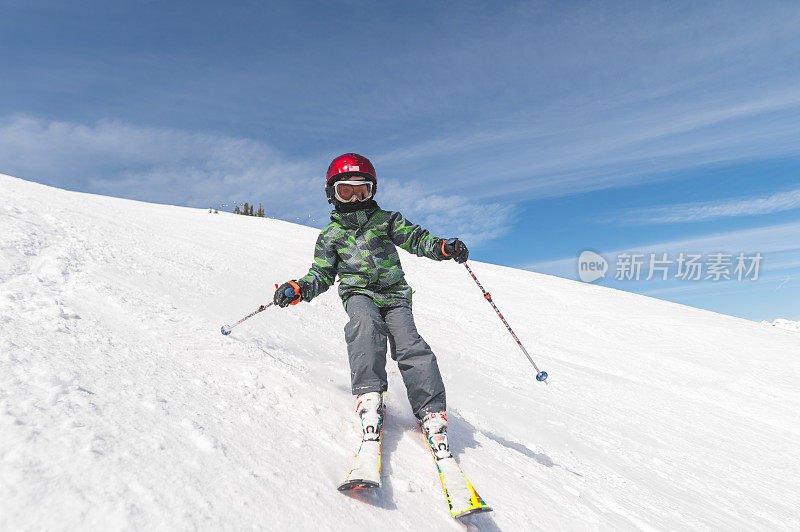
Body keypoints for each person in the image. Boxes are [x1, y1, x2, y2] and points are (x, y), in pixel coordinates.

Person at [273, 153, 469, 459]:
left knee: (411, 346)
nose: (354, 199)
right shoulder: (330, 237)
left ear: (372, 191)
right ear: (332, 194)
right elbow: (322, 273)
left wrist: (442, 247)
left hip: (394, 294)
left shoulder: (386, 220)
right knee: (365, 326)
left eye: (361, 190)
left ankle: (432, 412)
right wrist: (300, 288)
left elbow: (416, 238)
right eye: (345, 191)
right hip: (359, 293)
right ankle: (370, 397)